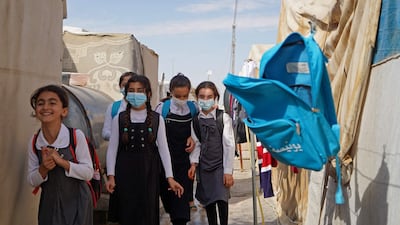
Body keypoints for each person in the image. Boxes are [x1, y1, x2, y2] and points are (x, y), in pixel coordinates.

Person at [105, 73, 184, 225]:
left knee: (147, 215)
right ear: (126, 94)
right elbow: (112, 149)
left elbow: (164, 150)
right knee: (126, 213)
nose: (135, 94)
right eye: (132, 90)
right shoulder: (119, 119)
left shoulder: (156, 119)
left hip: (149, 173)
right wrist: (111, 176)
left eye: (140, 90)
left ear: (148, 94)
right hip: (124, 174)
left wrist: (170, 177)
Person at [27, 84, 94, 225]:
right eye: (40, 103)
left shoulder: (75, 136)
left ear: (64, 111)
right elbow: (31, 180)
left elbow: (88, 173)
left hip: (77, 203)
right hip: (49, 204)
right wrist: (43, 168)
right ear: (36, 110)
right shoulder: (35, 141)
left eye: (52, 103)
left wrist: (62, 162)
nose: (45, 107)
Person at [189, 81, 235, 225]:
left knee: (222, 199)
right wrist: (193, 164)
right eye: (202, 96)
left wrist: (228, 171)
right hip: (204, 168)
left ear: (215, 97)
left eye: (209, 96)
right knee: (209, 201)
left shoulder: (223, 118)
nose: (205, 100)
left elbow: (229, 146)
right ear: (197, 98)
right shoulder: (195, 120)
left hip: (220, 166)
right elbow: (196, 144)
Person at [155, 73, 198, 225]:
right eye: (178, 96)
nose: (181, 99)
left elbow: (198, 132)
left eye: (184, 95)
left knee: (180, 203)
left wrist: (193, 139)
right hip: (165, 161)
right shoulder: (162, 108)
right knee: (168, 199)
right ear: (171, 93)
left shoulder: (193, 108)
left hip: (184, 162)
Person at [102, 71, 135, 141]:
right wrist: (119, 136)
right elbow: (105, 132)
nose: (127, 88)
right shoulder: (113, 108)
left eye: (130, 85)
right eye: (124, 85)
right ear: (120, 86)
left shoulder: (144, 109)